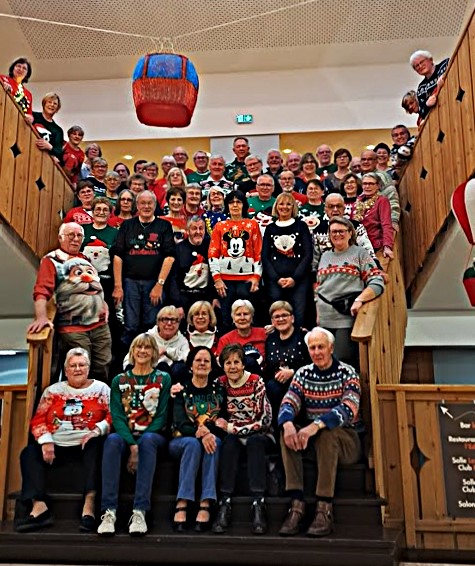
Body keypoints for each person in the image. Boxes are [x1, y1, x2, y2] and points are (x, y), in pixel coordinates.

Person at [15, 348, 110, 533]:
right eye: (73, 366)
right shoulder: (53, 391)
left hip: (86, 444)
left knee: (98, 445)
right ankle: (39, 507)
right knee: (29, 453)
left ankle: (89, 505)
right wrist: (46, 441)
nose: (77, 369)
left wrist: (97, 430)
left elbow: (113, 415)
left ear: (88, 368)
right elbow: (38, 419)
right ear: (66, 370)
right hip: (56, 445)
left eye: (81, 365)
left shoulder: (101, 389)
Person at [278, 327, 361, 537]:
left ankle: (324, 508)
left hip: (346, 441)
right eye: (312, 348)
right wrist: (287, 423)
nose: (316, 352)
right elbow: (289, 400)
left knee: (327, 432)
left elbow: (349, 408)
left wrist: (317, 425)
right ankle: (297, 505)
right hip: (315, 442)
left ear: (331, 348)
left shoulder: (347, 372)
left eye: (321, 347)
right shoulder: (303, 373)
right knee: (288, 433)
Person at [97, 334, 171, 536]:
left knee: (147, 440)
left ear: (154, 352)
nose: (143, 351)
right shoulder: (119, 380)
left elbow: (161, 417)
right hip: (126, 435)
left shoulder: (163, 378)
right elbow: (117, 417)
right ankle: (109, 512)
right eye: (139, 347)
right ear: (132, 351)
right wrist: (132, 445)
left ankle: (139, 511)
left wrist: (138, 446)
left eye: (147, 347)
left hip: (153, 435)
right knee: (112, 440)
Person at [28, 222, 111, 382]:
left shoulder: (84, 259)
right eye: (71, 235)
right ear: (60, 238)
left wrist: (104, 304)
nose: (75, 239)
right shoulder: (51, 260)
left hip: (100, 326)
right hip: (73, 328)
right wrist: (41, 317)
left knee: (102, 367)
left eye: (79, 235)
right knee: (80, 368)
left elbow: (95, 286)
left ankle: (98, 397)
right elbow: (41, 291)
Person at [212, 344, 273, 535]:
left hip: (260, 434)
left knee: (254, 441)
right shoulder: (219, 383)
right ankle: (225, 502)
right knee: (229, 443)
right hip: (234, 437)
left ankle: (258, 503)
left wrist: (233, 428)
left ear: (243, 364)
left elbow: (264, 420)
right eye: (228, 363)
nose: (232, 367)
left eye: (236, 362)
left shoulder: (256, 382)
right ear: (222, 366)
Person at [315, 216, 385, 367]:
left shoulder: (360, 254)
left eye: (341, 231)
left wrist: (360, 299)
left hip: (345, 319)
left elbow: (377, 282)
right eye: (333, 232)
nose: (337, 235)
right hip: (324, 319)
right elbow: (320, 287)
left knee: (341, 361)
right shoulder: (325, 256)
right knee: (323, 363)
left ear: (350, 233)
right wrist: (318, 313)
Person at [169, 346, 225, 532]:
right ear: (191, 365)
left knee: (214, 442)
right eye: (198, 360)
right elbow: (180, 422)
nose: (202, 363)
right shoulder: (181, 390)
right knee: (193, 444)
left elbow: (222, 420)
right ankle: (182, 501)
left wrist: (208, 432)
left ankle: (206, 502)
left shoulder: (219, 390)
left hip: (209, 438)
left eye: (206, 361)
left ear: (212, 366)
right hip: (181, 440)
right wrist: (202, 432)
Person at [112, 190, 176, 348]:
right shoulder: (127, 225)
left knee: (151, 325)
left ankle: (150, 357)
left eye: (150, 203)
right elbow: (118, 256)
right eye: (143, 203)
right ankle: (127, 358)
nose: (146, 206)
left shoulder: (164, 226)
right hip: (130, 282)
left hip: (154, 282)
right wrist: (118, 286)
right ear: (137, 205)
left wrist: (159, 284)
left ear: (155, 205)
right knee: (130, 325)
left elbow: (169, 257)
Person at [208, 190, 262, 331]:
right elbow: (213, 253)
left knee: (249, 316)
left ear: (244, 205)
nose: (235, 205)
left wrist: (256, 277)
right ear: (227, 205)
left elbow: (258, 252)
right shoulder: (219, 226)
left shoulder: (253, 225)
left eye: (238, 202)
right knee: (227, 318)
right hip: (225, 281)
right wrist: (217, 279)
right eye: (231, 202)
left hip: (248, 280)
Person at [262, 193, 313, 328]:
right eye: (281, 204)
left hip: (299, 281)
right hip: (275, 281)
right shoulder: (270, 228)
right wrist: (276, 279)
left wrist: (294, 278)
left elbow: (308, 255)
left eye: (288, 204)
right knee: (278, 315)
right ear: (276, 206)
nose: (284, 207)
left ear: (293, 207)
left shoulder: (301, 226)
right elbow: (265, 257)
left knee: (299, 316)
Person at [264, 301, 310, 431]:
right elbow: (269, 367)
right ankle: (280, 429)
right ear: (272, 321)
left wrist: (293, 372)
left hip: (301, 381)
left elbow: (312, 363)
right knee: (271, 387)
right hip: (277, 385)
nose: (281, 319)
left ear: (292, 318)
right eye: (277, 317)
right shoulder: (270, 339)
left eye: (284, 315)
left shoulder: (303, 336)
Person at [169, 216, 214, 315]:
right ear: (188, 231)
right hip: (184, 296)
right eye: (194, 228)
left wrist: (214, 298)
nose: (198, 232)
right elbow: (172, 279)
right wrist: (177, 304)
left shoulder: (211, 247)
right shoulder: (178, 249)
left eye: (201, 228)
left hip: (205, 297)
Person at [138, 305, 190, 383]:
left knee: (180, 367)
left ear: (178, 324)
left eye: (173, 320)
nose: (169, 323)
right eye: (165, 319)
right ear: (158, 322)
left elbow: (187, 360)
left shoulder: (182, 340)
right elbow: (128, 360)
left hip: (174, 381)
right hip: (148, 377)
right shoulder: (147, 338)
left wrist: (166, 351)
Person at [216, 300, 266, 375]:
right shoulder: (225, 340)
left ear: (252, 316)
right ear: (233, 318)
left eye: (246, 314)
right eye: (238, 314)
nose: (242, 318)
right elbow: (222, 365)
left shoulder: (264, 333)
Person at [352, 173, 395, 258]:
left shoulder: (382, 201)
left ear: (378, 186)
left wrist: (387, 246)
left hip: (374, 245)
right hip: (357, 246)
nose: (367, 186)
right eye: (365, 183)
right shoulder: (358, 201)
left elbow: (386, 224)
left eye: (371, 184)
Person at [410, 49, 449, 120]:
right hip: (441, 117)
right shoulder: (421, 88)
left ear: (430, 60)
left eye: (421, 62)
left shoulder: (445, 65)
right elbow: (422, 113)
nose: (420, 66)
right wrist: (427, 105)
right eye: (417, 66)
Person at [32, 92, 64, 164]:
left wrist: (50, 147)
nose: (52, 105)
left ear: (57, 108)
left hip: (43, 163)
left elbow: (59, 152)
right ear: (44, 104)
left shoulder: (58, 130)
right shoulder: (33, 115)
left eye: (55, 104)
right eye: (49, 102)